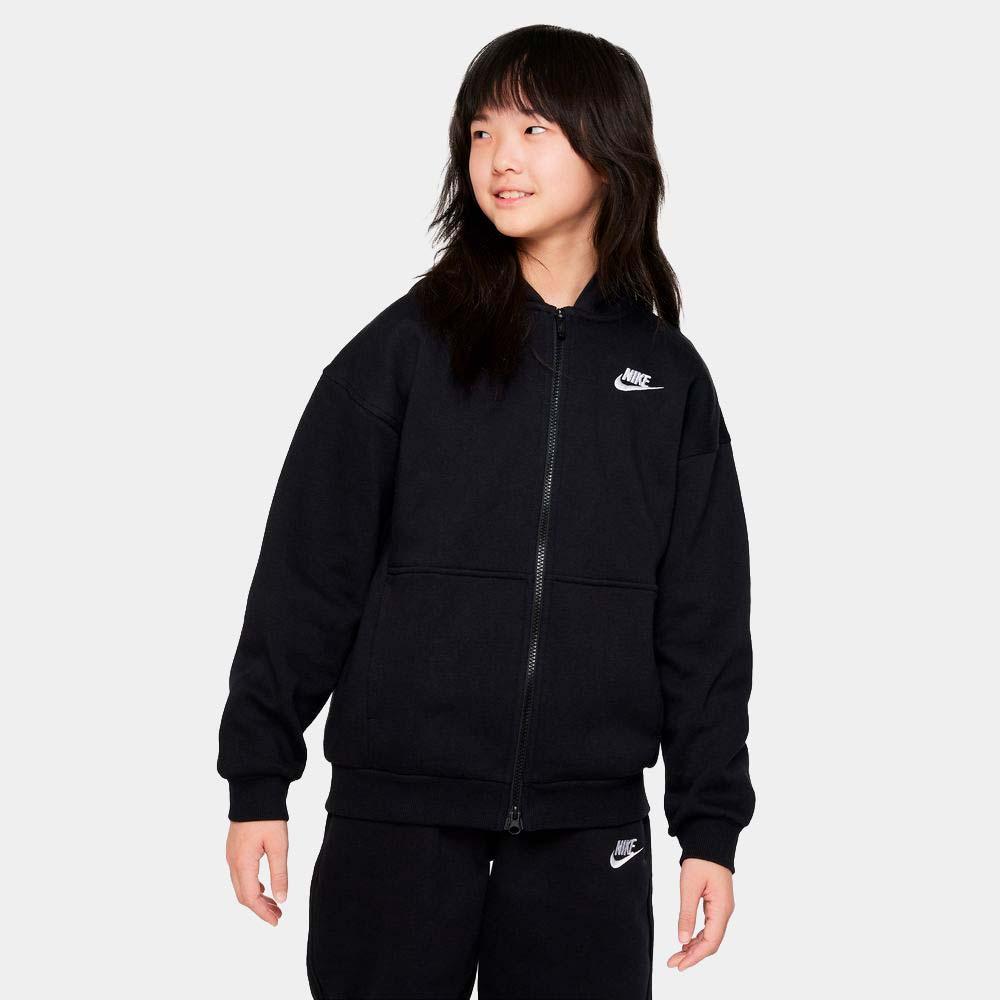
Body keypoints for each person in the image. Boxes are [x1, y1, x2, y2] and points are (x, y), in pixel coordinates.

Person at [218, 23, 755, 1000]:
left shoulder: (667, 380)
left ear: (609, 145)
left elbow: (703, 620)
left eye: (533, 128)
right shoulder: (405, 350)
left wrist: (708, 828)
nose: (499, 157)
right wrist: (259, 777)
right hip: (397, 819)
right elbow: (308, 573)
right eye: (479, 131)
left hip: (589, 827)